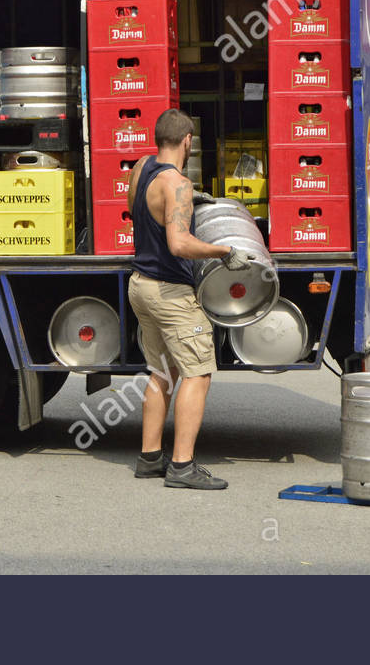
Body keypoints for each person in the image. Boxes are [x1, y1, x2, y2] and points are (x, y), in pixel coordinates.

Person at [126, 109, 253, 490]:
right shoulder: (176, 184)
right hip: (171, 294)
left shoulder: (141, 167)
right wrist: (223, 251)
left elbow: (140, 206)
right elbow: (179, 243)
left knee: (162, 372)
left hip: (141, 285)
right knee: (197, 374)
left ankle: (150, 457)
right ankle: (182, 466)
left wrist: (183, 201)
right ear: (187, 141)